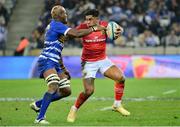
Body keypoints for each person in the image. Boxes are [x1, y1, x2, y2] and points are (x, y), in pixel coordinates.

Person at [29, 5, 105, 125]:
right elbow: (77, 33)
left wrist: (63, 68)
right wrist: (95, 29)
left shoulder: (57, 27)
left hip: (55, 61)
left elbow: (57, 49)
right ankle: (40, 118)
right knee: (53, 85)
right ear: (59, 16)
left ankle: (38, 104)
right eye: (64, 13)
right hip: (47, 60)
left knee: (66, 91)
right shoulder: (57, 25)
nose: (66, 15)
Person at [67, 9, 130, 123]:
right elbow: (73, 34)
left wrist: (120, 30)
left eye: (90, 19)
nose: (88, 22)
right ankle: (73, 109)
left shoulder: (106, 26)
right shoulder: (83, 27)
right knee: (89, 91)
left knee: (121, 78)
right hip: (88, 63)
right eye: (86, 19)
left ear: (97, 19)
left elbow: (118, 28)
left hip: (102, 60)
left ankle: (117, 105)